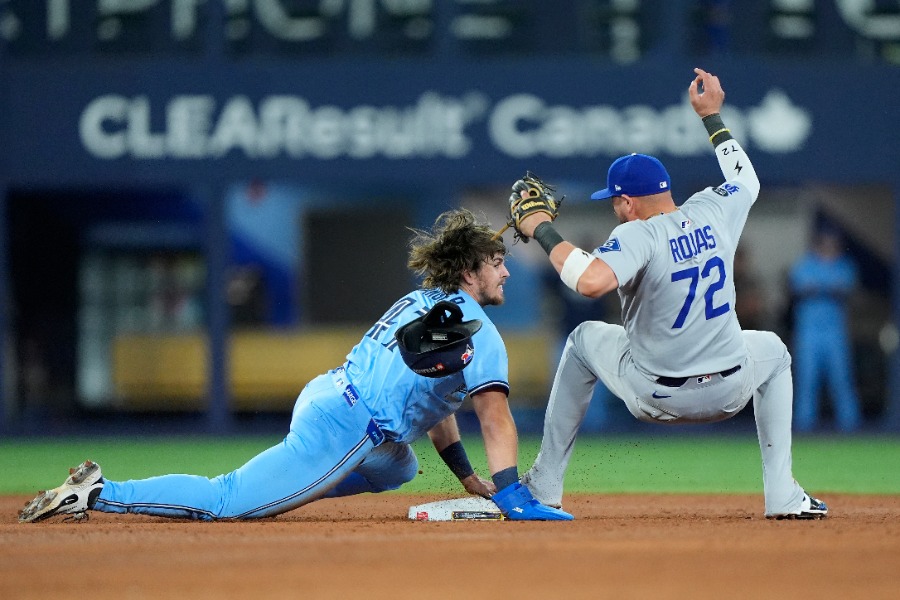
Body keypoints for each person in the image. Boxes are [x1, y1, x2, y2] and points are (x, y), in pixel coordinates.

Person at [19, 209, 572, 523]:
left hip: (330, 395)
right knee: (227, 501)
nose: (506, 272)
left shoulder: (421, 301)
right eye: (497, 262)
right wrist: (510, 494)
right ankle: (98, 491)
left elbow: (433, 398)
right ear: (470, 271)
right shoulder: (478, 329)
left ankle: (295, 482)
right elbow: (495, 418)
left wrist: (468, 478)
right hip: (347, 427)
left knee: (401, 469)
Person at [512, 68, 827, 519]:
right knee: (774, 351)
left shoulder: (638, 234)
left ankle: (544, 485)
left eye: (613, 201)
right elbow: (747, 179)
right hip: (730, 388)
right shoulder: (714, 209)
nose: (614, 208)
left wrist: (541, 227)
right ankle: (783, 495)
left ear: (627, 202)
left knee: (581, 339)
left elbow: (590, 282)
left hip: (658, 396)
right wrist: (712, 117)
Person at [789, 226, 862, 432]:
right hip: (809, 332)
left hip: (835, 332)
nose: (829, 245)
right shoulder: (805, 265)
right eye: (825, 241)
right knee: (807, 379)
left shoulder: (844, 265)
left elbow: (844, 290)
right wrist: (827, 289)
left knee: (841, 378)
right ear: (818, 243)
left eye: (833, 242)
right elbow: (800, 289)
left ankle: (851, 426)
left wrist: (820, 289)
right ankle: (803, 426)